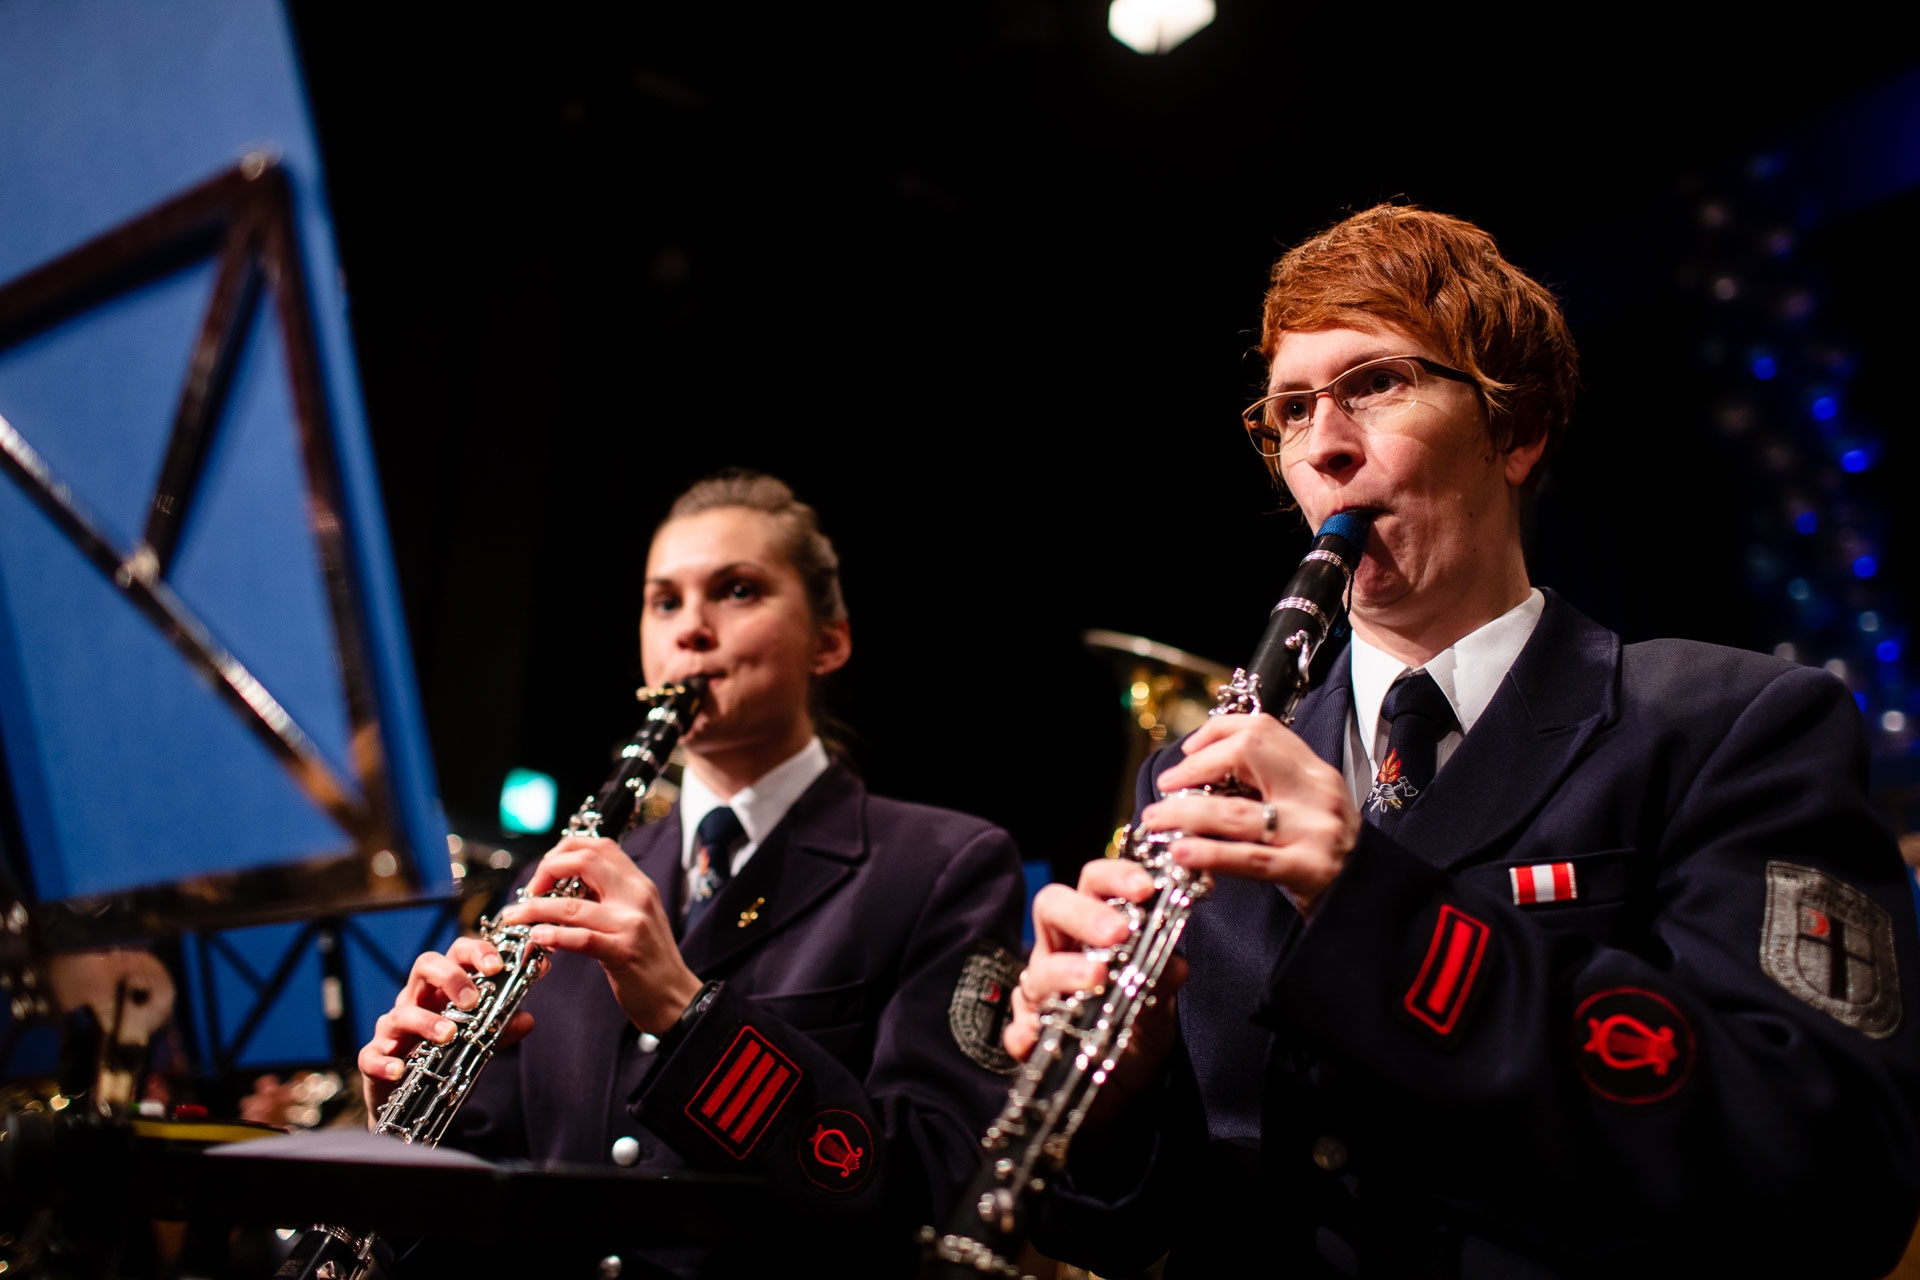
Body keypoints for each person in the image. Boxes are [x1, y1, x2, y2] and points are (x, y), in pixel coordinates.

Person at [1013, 205, 1920, 1278]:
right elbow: (1121, 1223)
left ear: (1515, 430)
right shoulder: (1201, 767)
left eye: (1377, 384)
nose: (1326, 445)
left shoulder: (1730, 722)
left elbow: (1824, 1167)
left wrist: (1369, 902)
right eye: (1291, 410)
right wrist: (1117, 1092)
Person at [358, 471, 1026, 1278]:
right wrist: (411, 1129)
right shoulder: (559, 878)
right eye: (663, 601)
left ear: (830, 640)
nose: (691, 630)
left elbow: (934, 1191)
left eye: (737, 591)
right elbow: (496, 1206)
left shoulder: (943, 866)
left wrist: (687, 1012)